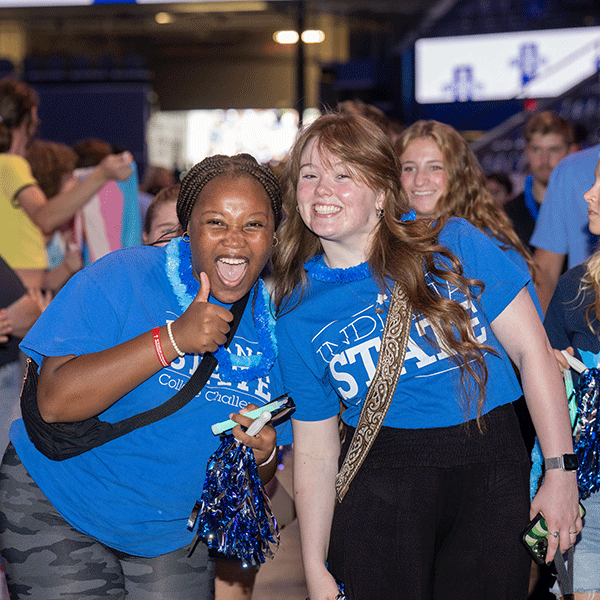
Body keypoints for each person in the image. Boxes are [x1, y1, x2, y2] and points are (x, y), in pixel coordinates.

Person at [272, 112, 581, 600]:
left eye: (342, 174)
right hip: (379, 484)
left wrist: (561, 474)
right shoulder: (295, 314)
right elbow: (314, 449)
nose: (321, 189)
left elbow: (533, 353)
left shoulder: (452, 242)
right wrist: (313, 564)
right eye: (309, 175)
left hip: (489, 470)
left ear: (380, 193)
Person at [0, 153, 290, 599]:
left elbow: (260, 468)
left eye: (253, 224)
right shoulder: (124, 276)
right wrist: (172, 338)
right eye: (216, 222)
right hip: (62, 504)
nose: (235, 241)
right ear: (188, 227)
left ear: (273, 235)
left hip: (171, 533)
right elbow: (53, 401)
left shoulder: (273, 327)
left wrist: (264, 454)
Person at [395, 119, 541, 318]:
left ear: (459, 174)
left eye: (435, 167)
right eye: (409, 168)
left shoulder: (492, 246)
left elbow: (531, 341)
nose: (420, 180)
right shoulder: (384, 246)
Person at [0, 77, 134, 289]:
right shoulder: (10, 165)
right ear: (30, 117)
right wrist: (101, 174)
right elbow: (45, 218)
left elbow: (35, 234)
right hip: (15, 291)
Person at [543, 155, 600, 600]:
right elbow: (541, 386)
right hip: (590, 496)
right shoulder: (575, 288)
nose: (588, 195)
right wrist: (552, 365)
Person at [531, 144, 600, 314]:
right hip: (583, 319)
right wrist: (552, 337)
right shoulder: (571, 169)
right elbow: (544, 272)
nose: (588, 195)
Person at [503, 111, 575, 252]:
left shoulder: (586, 208)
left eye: (553, 149)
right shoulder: (507, 215)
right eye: (536, 150)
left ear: (571, 151)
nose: (544, 159)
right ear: (527, 151)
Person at [26, 139, 83, 293]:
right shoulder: (43, 230)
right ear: (53, 180)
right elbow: (40, 283)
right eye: (69, 177)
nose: (76, 182)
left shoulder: (58, 227)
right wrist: (67, 267)